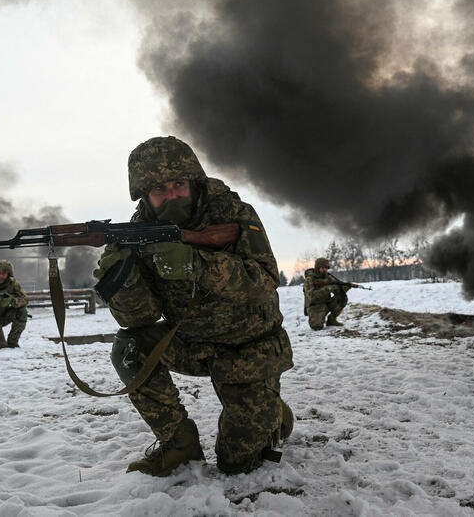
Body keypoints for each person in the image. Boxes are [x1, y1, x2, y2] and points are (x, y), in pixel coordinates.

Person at [93, 136, 294, 477]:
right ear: (144, 194)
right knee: (130, 347)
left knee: (237, 464)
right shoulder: (139, 231)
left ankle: (272, 412)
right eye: (159, 189)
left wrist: (196, 264)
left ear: (193, 181)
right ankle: (178, 444)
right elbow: (140, 317)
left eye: (178, 184)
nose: (171, 195)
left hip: (249, 348)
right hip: (190, 343)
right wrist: (122, 280)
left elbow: (263, 282)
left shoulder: (232, 212)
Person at [302, 257, 351, 330]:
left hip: (326, 303)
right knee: (317, 327)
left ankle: (332, 320)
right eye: (322, 268)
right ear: (317, 268)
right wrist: (328, 289)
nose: (325, 270)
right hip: (315, 307)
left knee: (341, 298)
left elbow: (337, 289)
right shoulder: (309, 279)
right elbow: (312, 297)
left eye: (326, 268)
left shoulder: (328, 277)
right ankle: (319, 318)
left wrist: (344, 288)